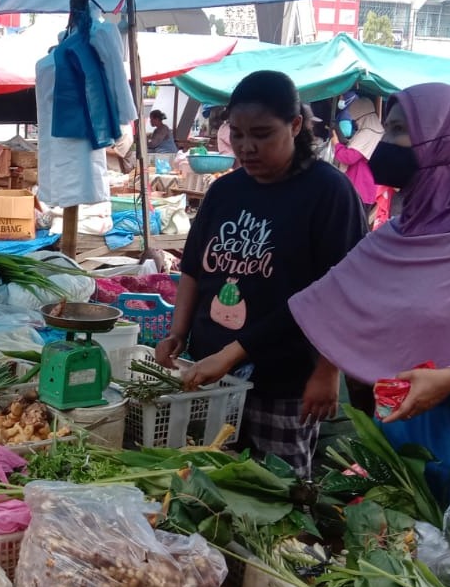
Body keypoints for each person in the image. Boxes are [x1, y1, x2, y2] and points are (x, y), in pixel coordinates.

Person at [289, 82, 450, 554]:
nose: (386, 144)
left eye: (401, 130)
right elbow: (333, 298)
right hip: (407, 425)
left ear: (442, 141)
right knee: (404, 556)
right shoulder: (400, 231)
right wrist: (322, 366)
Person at [154, 70, 368, 477]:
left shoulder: (328, 193)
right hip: (211, 374)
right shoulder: (225, 191)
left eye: (262, 134)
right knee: (204, 483)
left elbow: (337, 293)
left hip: (285, 378)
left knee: (276, 492)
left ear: (296, 125)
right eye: (237, 134)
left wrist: (328, 370)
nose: (247, 147)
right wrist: (177, 333)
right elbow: (195, 270)